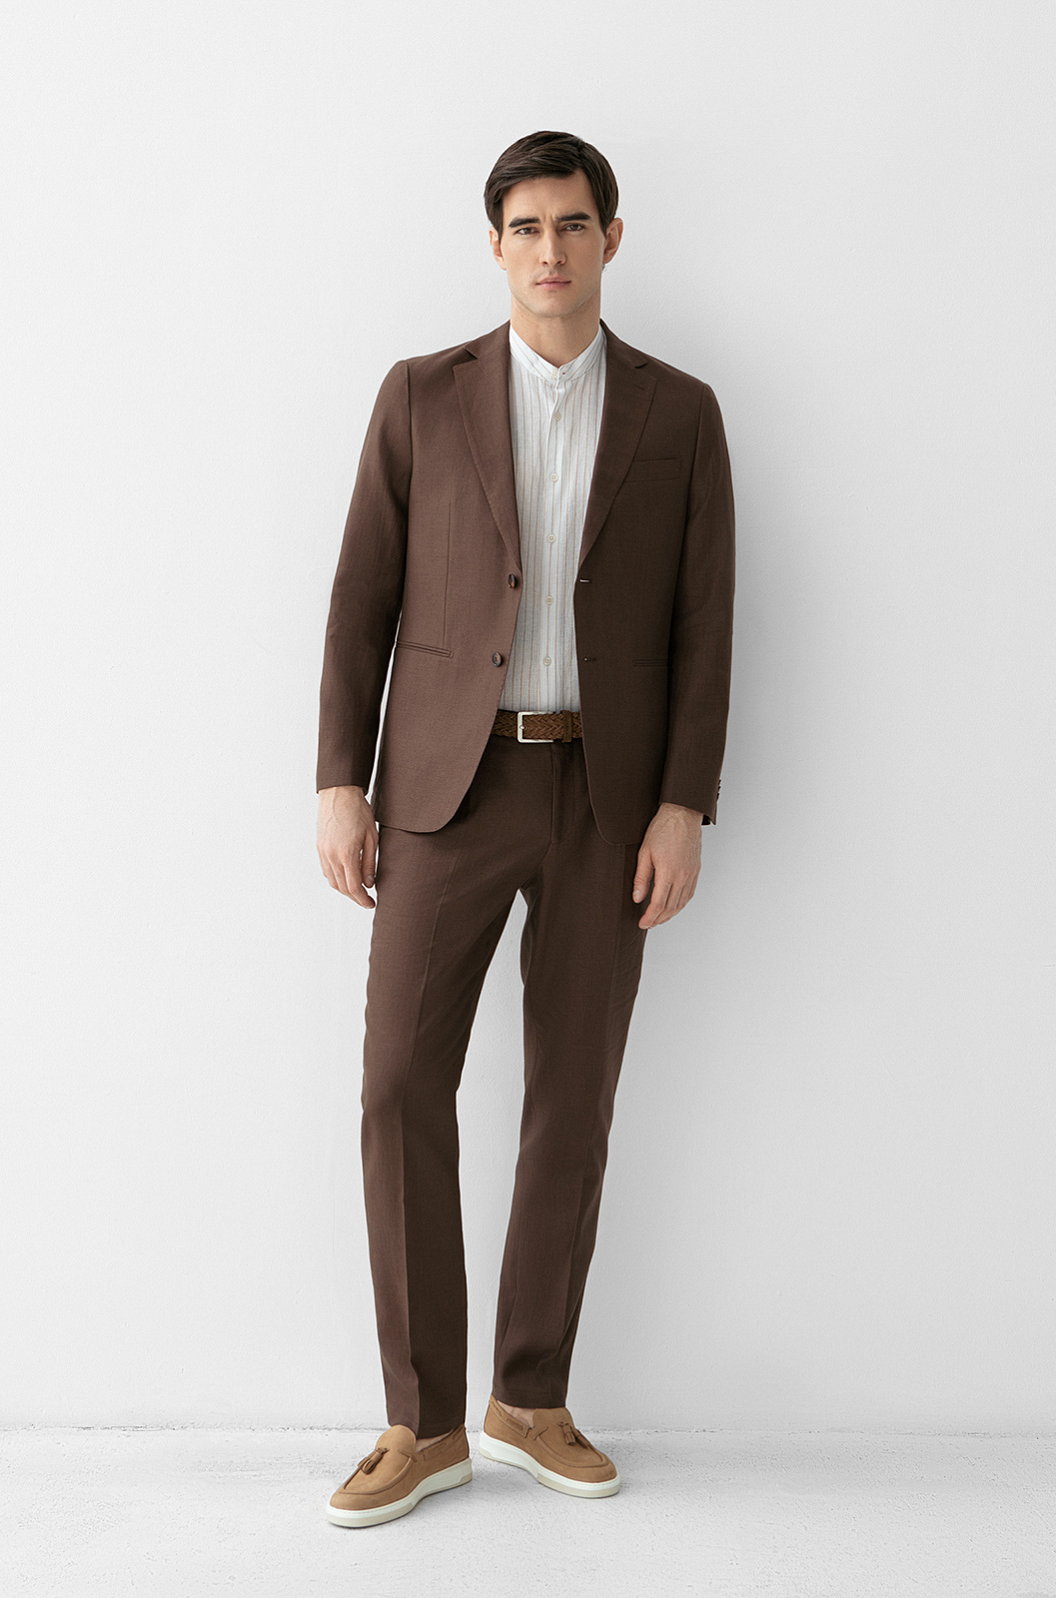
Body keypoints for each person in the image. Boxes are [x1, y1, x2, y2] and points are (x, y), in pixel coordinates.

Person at [316, 129, 735, 1528]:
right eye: (525, 226)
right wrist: (340, 778)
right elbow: (362, 599)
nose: (550, 249)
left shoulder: (681, 413)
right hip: (446, 790)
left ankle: (528, 1398)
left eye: (572, 224)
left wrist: (682, 801)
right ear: (494, 245)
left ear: (612, 237)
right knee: (397, 1084)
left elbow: (705, 623)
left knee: (572, 1099)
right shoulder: (420, 396)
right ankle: (420, 1420)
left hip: (608, 800)